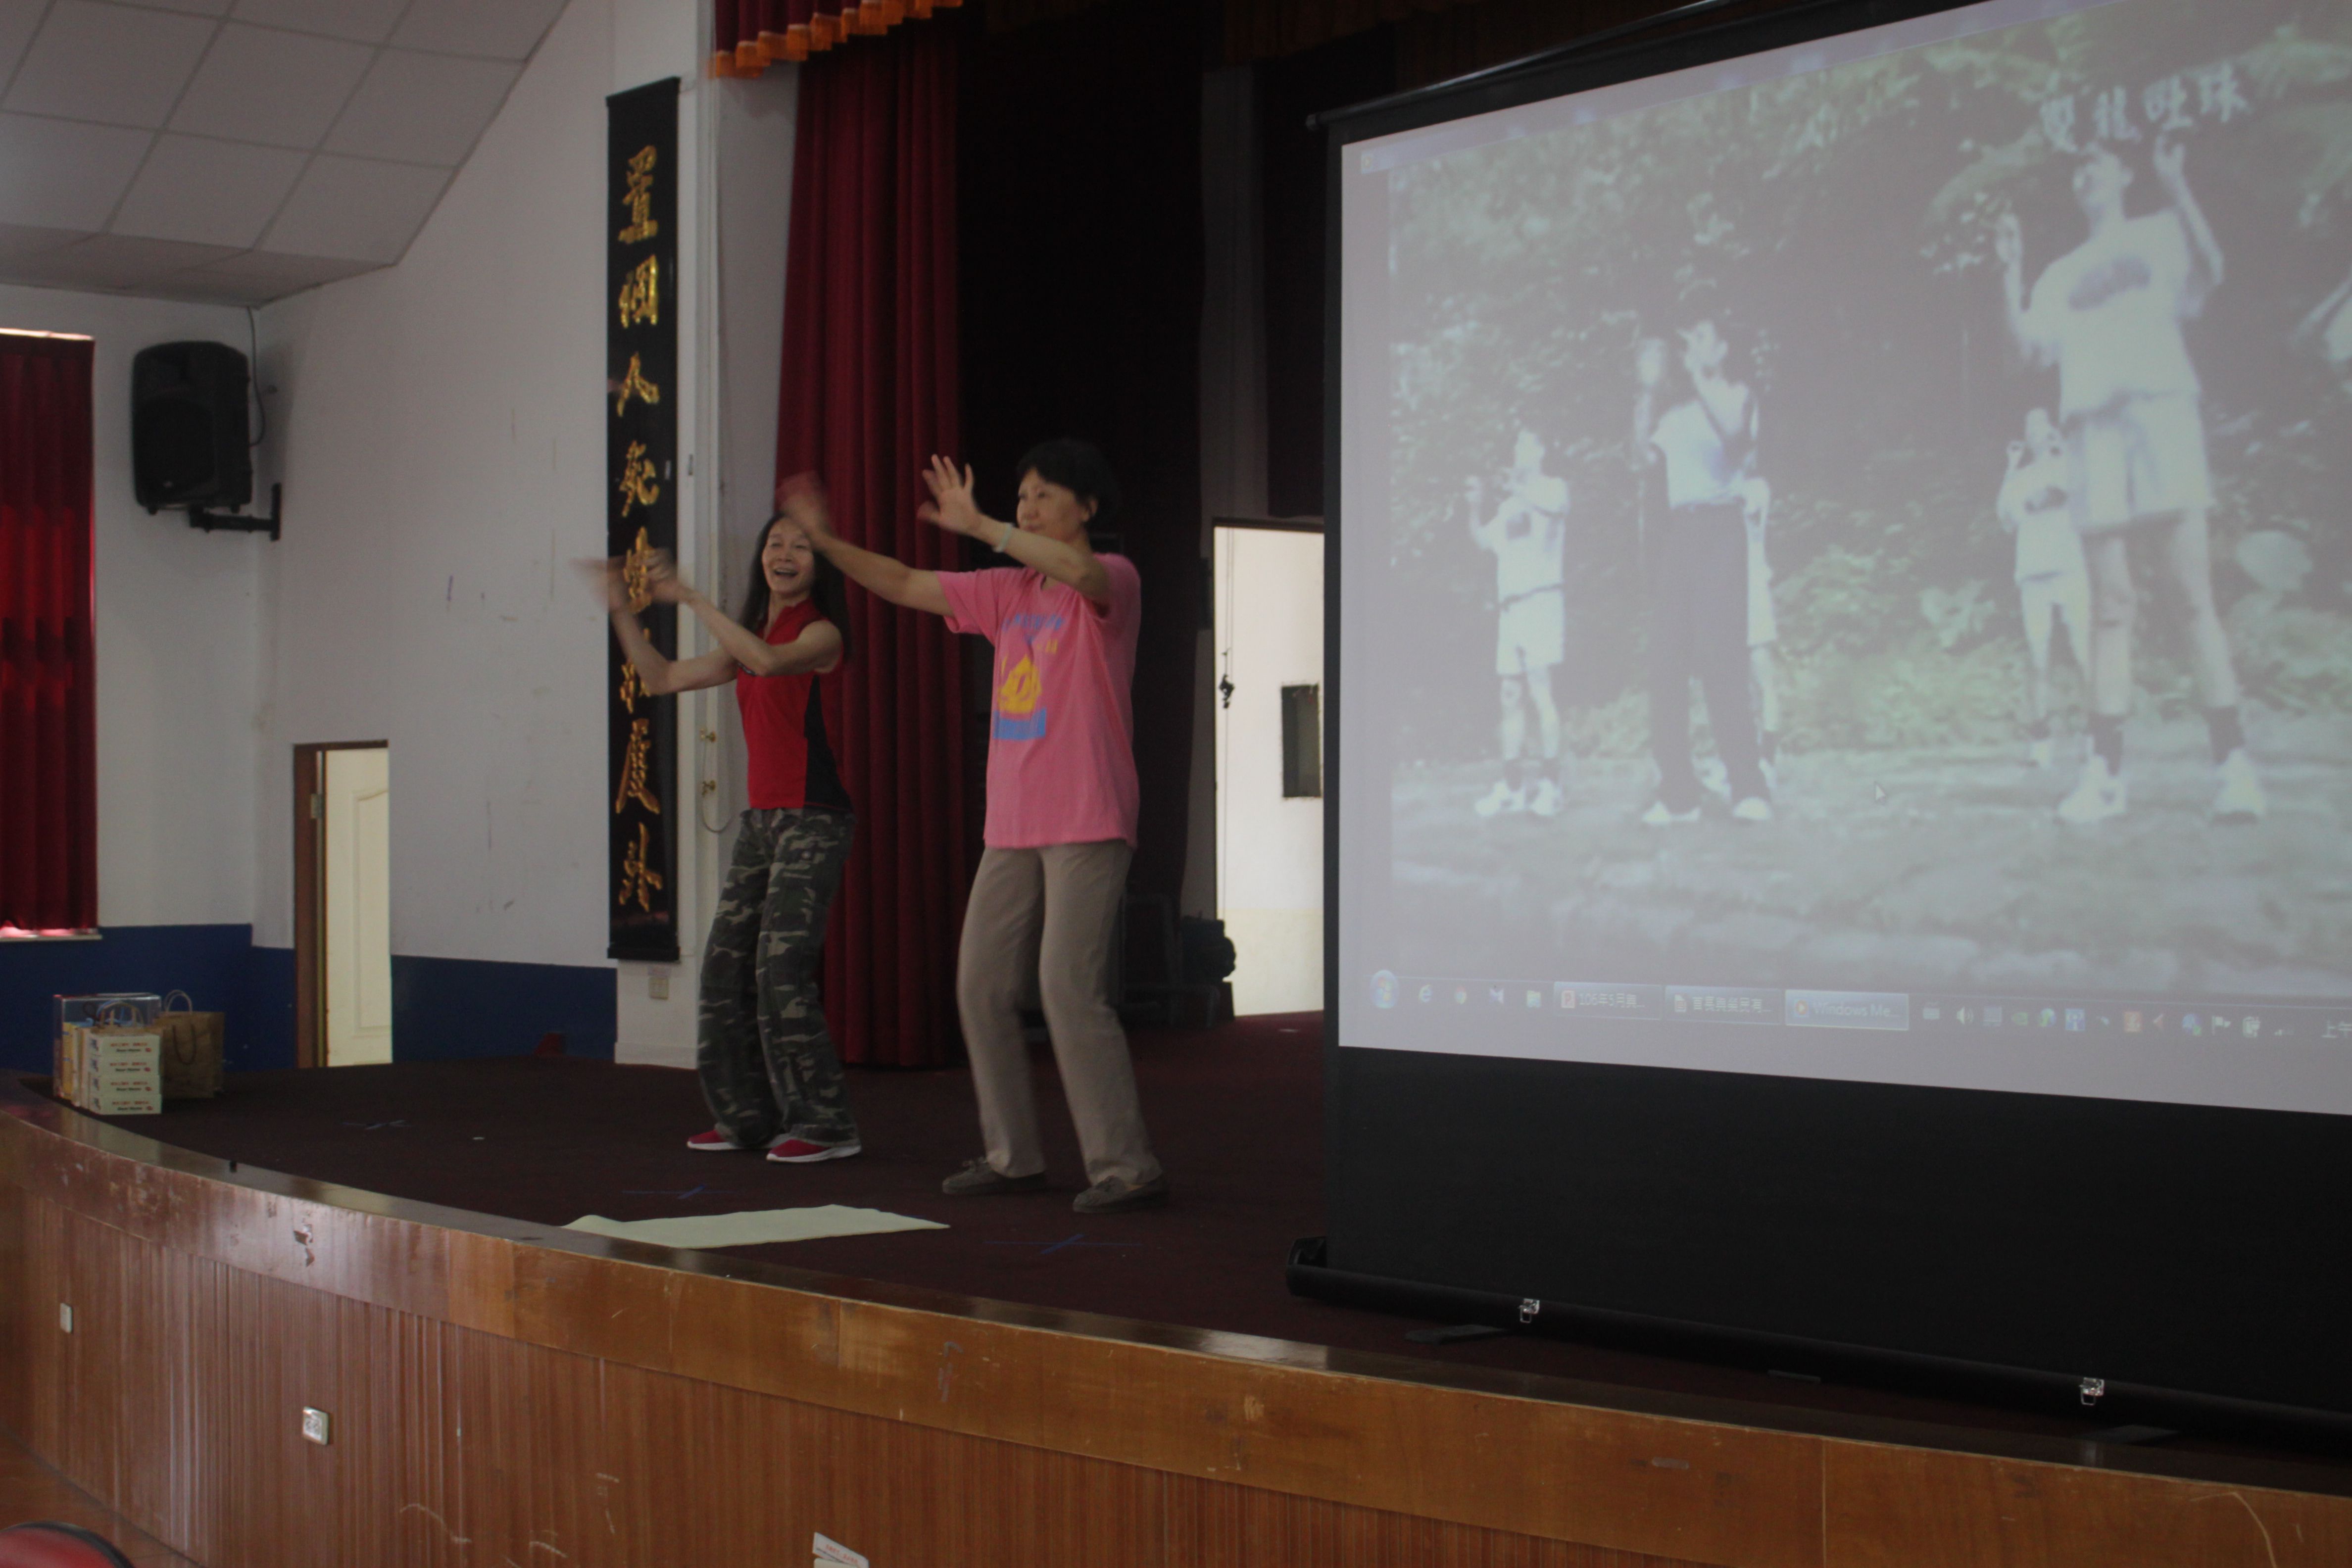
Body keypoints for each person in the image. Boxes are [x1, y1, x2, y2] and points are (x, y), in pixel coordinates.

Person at [781, 441, 1170, 1215]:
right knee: (980, 986)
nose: (1027, 508)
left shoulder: (1112, 581)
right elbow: (902, 581)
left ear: (1087, 508)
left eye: (1043, 496)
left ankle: (1125, 1164)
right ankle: (1013, 1156)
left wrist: (986, 524)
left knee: (1067, 987)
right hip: (1013, 823)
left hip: (1088, 815)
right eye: (1020, 497)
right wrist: (825, 545)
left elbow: (1086, 575)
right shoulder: (1007, 591)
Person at [1997, 139, 2264, 823]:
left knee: (2190, 595)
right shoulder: (2059, 274)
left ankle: (2233, 767)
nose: (2086, 175)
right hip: (2093, 433)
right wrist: (2011, 270)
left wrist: (2179, 185)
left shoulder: (2161, 231)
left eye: (2098, 163)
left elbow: (2216, 269)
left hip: (2160, 413)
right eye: (2077, 167)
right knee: (2111, 606)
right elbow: (2028, 348)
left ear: (2124, 174)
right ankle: (2106, 774)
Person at [588, 510, 863, 1164]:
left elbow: (765, 662)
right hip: (762, 822)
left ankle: (827, 1124)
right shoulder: (751, 635)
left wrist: (691, 597)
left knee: (780, 970)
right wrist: (622, 611)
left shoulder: (819, 634)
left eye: (800, 546)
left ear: (817, 566)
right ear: (762, 558)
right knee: (722, 967)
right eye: (775, 543)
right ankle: (746, 1119)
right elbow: (662, 678)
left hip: (815, 818)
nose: (786, 553)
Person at [1632, 322, 1773, 825]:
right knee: (1665, 663)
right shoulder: (1675, 413)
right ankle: (1678, 794)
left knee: (1722, 660)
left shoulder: (1736, 396)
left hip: (1721, 527)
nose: (1689, 345)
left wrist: (1696, 376)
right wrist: (1648, 391)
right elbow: (1641, 457)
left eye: (1700, 337)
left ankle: (1748, 787)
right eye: (1685, 338)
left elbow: (1735, 440)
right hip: (1681, 534)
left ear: (1722, 347)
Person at [1467, 428, 1572, 818]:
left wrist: (1517, 486)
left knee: (1542, 691)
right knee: (1510, 695)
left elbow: (1552, 508)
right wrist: (1476, 507)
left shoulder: (1554, 488)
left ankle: (1552, 785)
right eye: (1516, 445)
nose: (1518, 452)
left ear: (1542, 450)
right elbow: (1484, 541)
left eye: (1525, 444)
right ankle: (1512, 786)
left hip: (1542, 600)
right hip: (1510, 610)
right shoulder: (1511, 504)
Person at [1997, 408, 2091, 767]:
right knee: (2038, 659)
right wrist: (2011, 467)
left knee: (2084, 653)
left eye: (2044, 426)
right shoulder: (2020, 478)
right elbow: (2008, 518)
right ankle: (2041, 742)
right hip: (2033, 573)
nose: (2038, 433)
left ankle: (2095, 736)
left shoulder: (2070, 464)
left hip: (2069, 567)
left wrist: (2063, 449)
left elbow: (2073, 491)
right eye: (2031, 427)